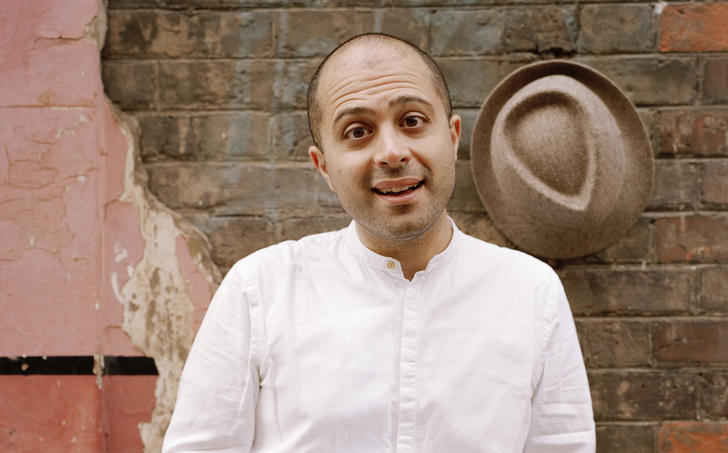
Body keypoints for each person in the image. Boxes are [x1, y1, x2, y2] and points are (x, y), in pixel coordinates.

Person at [162, 33, 596, 452]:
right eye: (357, 131)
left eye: (412, 121)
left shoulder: (531, 292)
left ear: (452, 136)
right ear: (324, 166)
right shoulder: (260, 288)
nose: (391, 152)